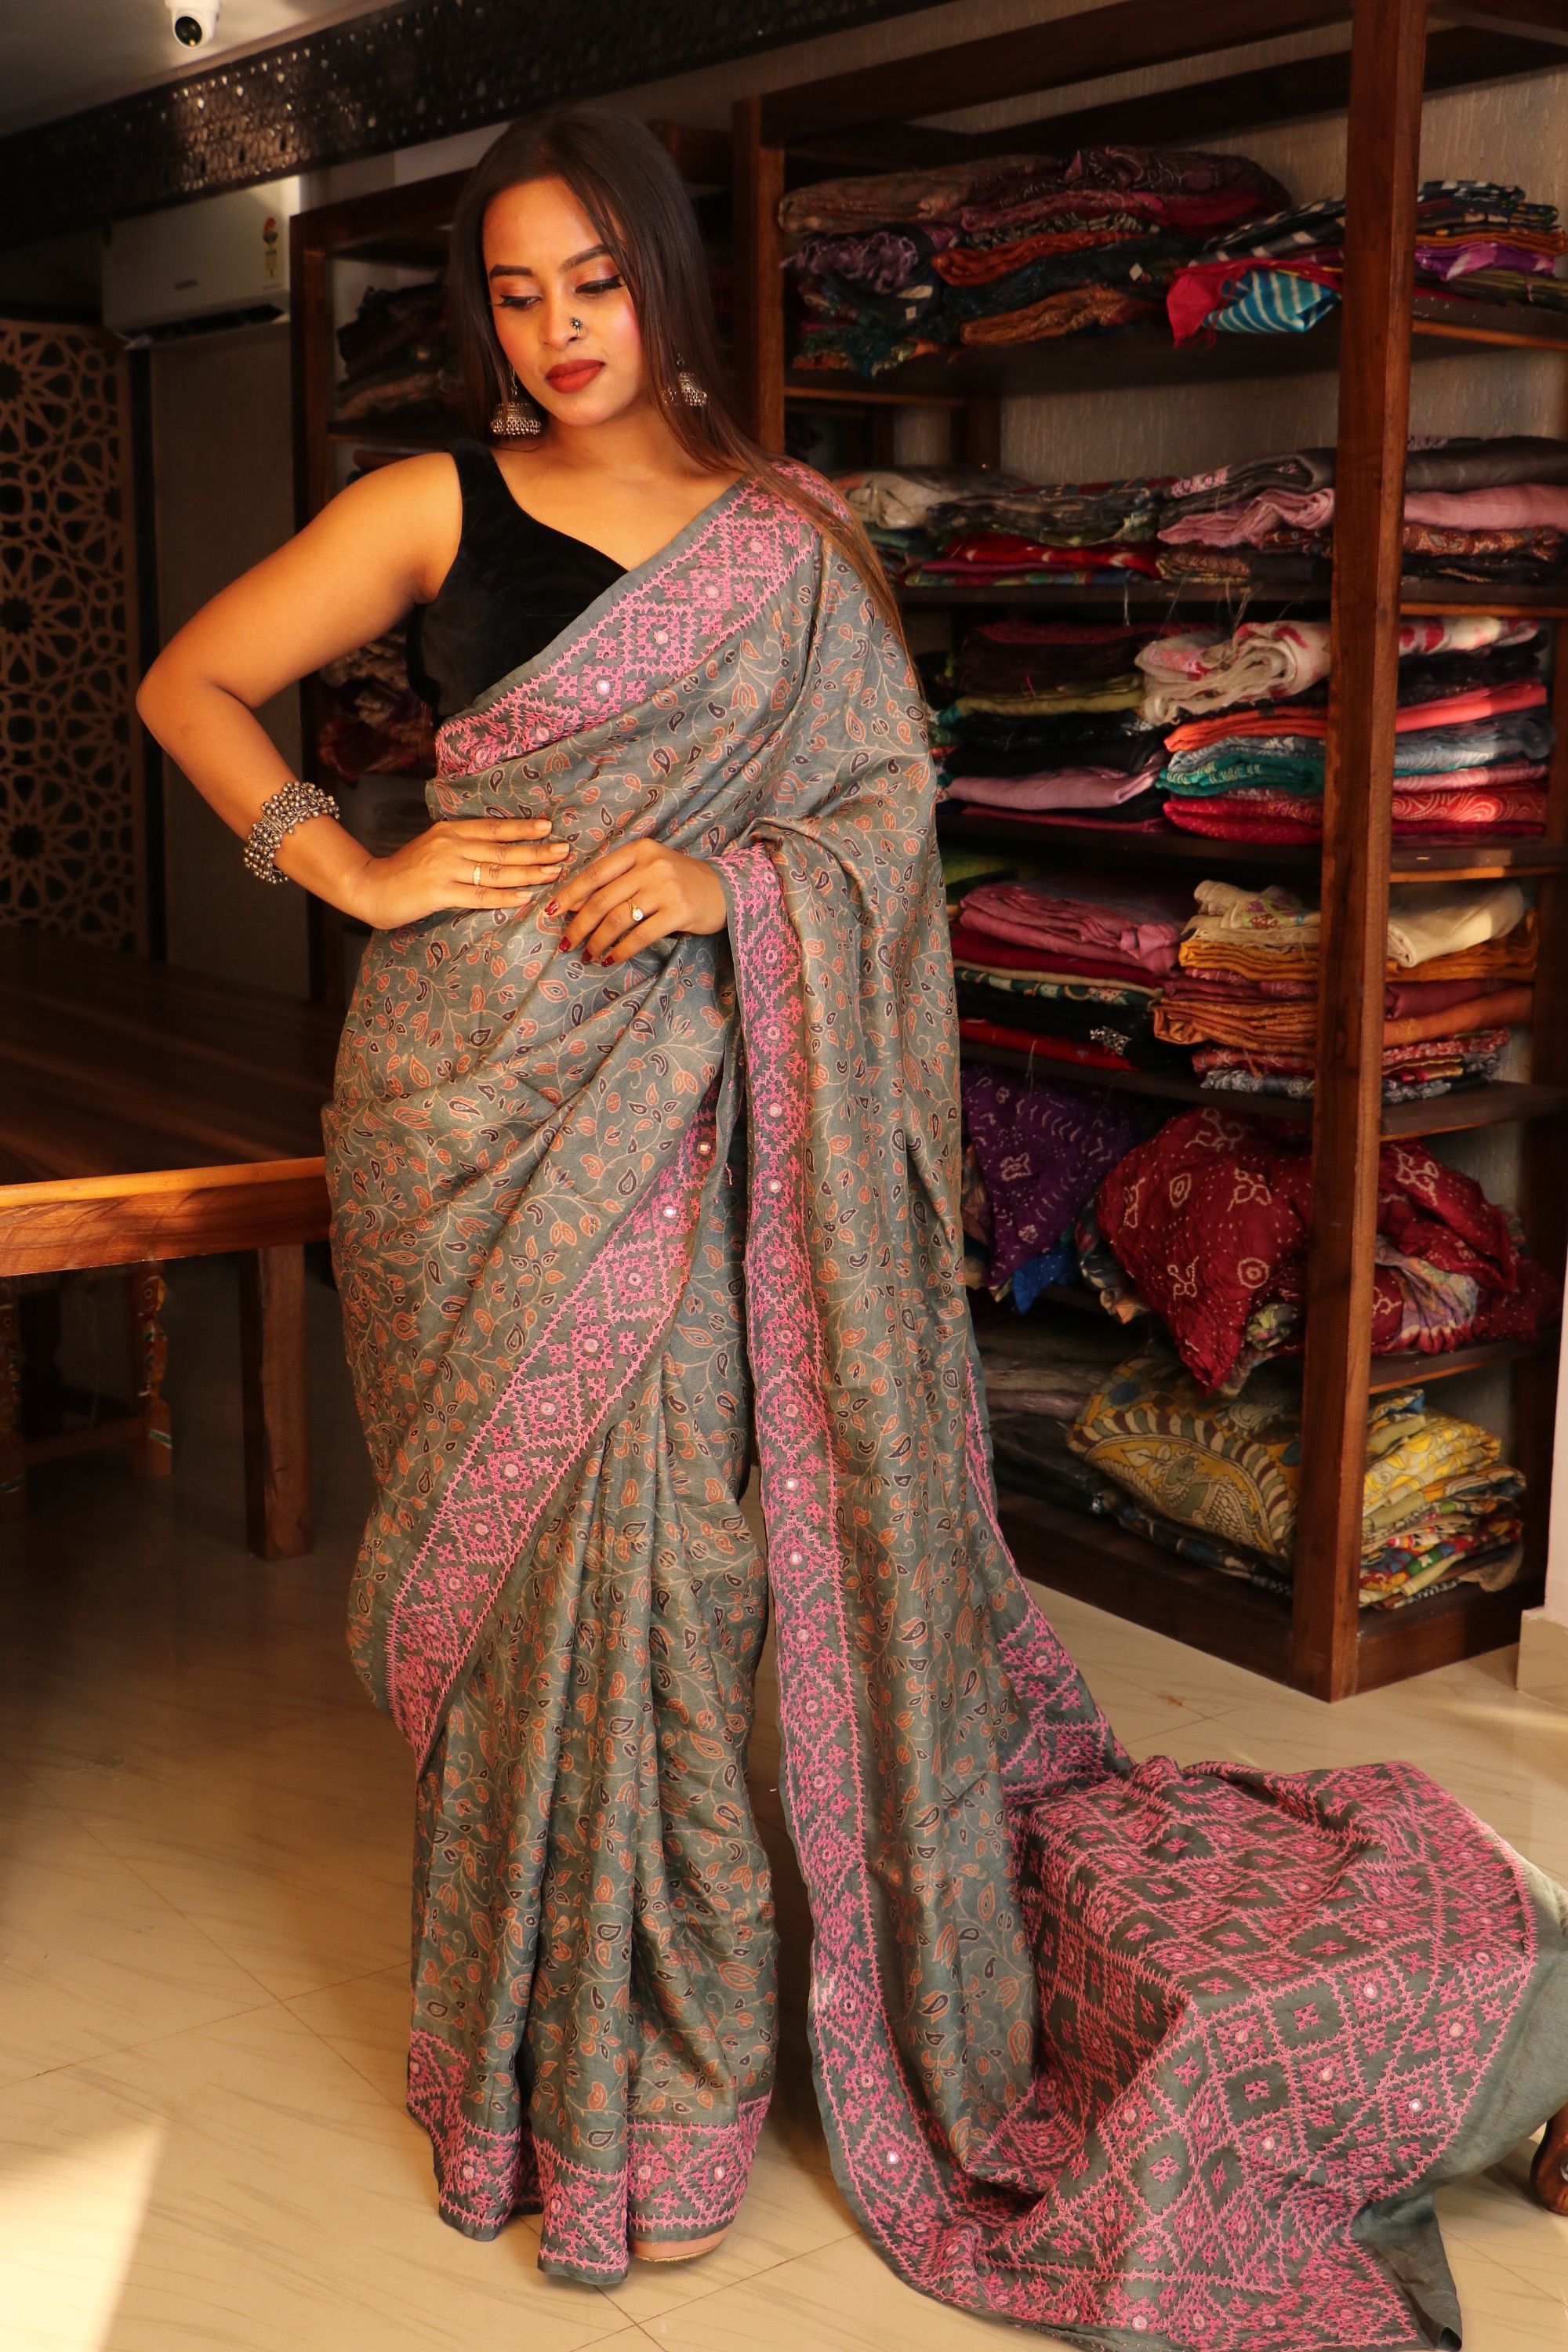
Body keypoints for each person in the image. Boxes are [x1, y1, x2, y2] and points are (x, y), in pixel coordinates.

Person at [138, 105, 1568, 2347]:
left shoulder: (796, 541)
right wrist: (349, 864)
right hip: (463, 1111)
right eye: (515, 295)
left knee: (683, 1574)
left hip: (705, 1106)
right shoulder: (432, 500)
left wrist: (734, 882)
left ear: (666, 279)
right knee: (519, 1608)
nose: (558, 332)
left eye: (594, 283)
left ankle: (668, 2083)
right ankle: (534, 2051)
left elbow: (888, 820)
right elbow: (190, 685)